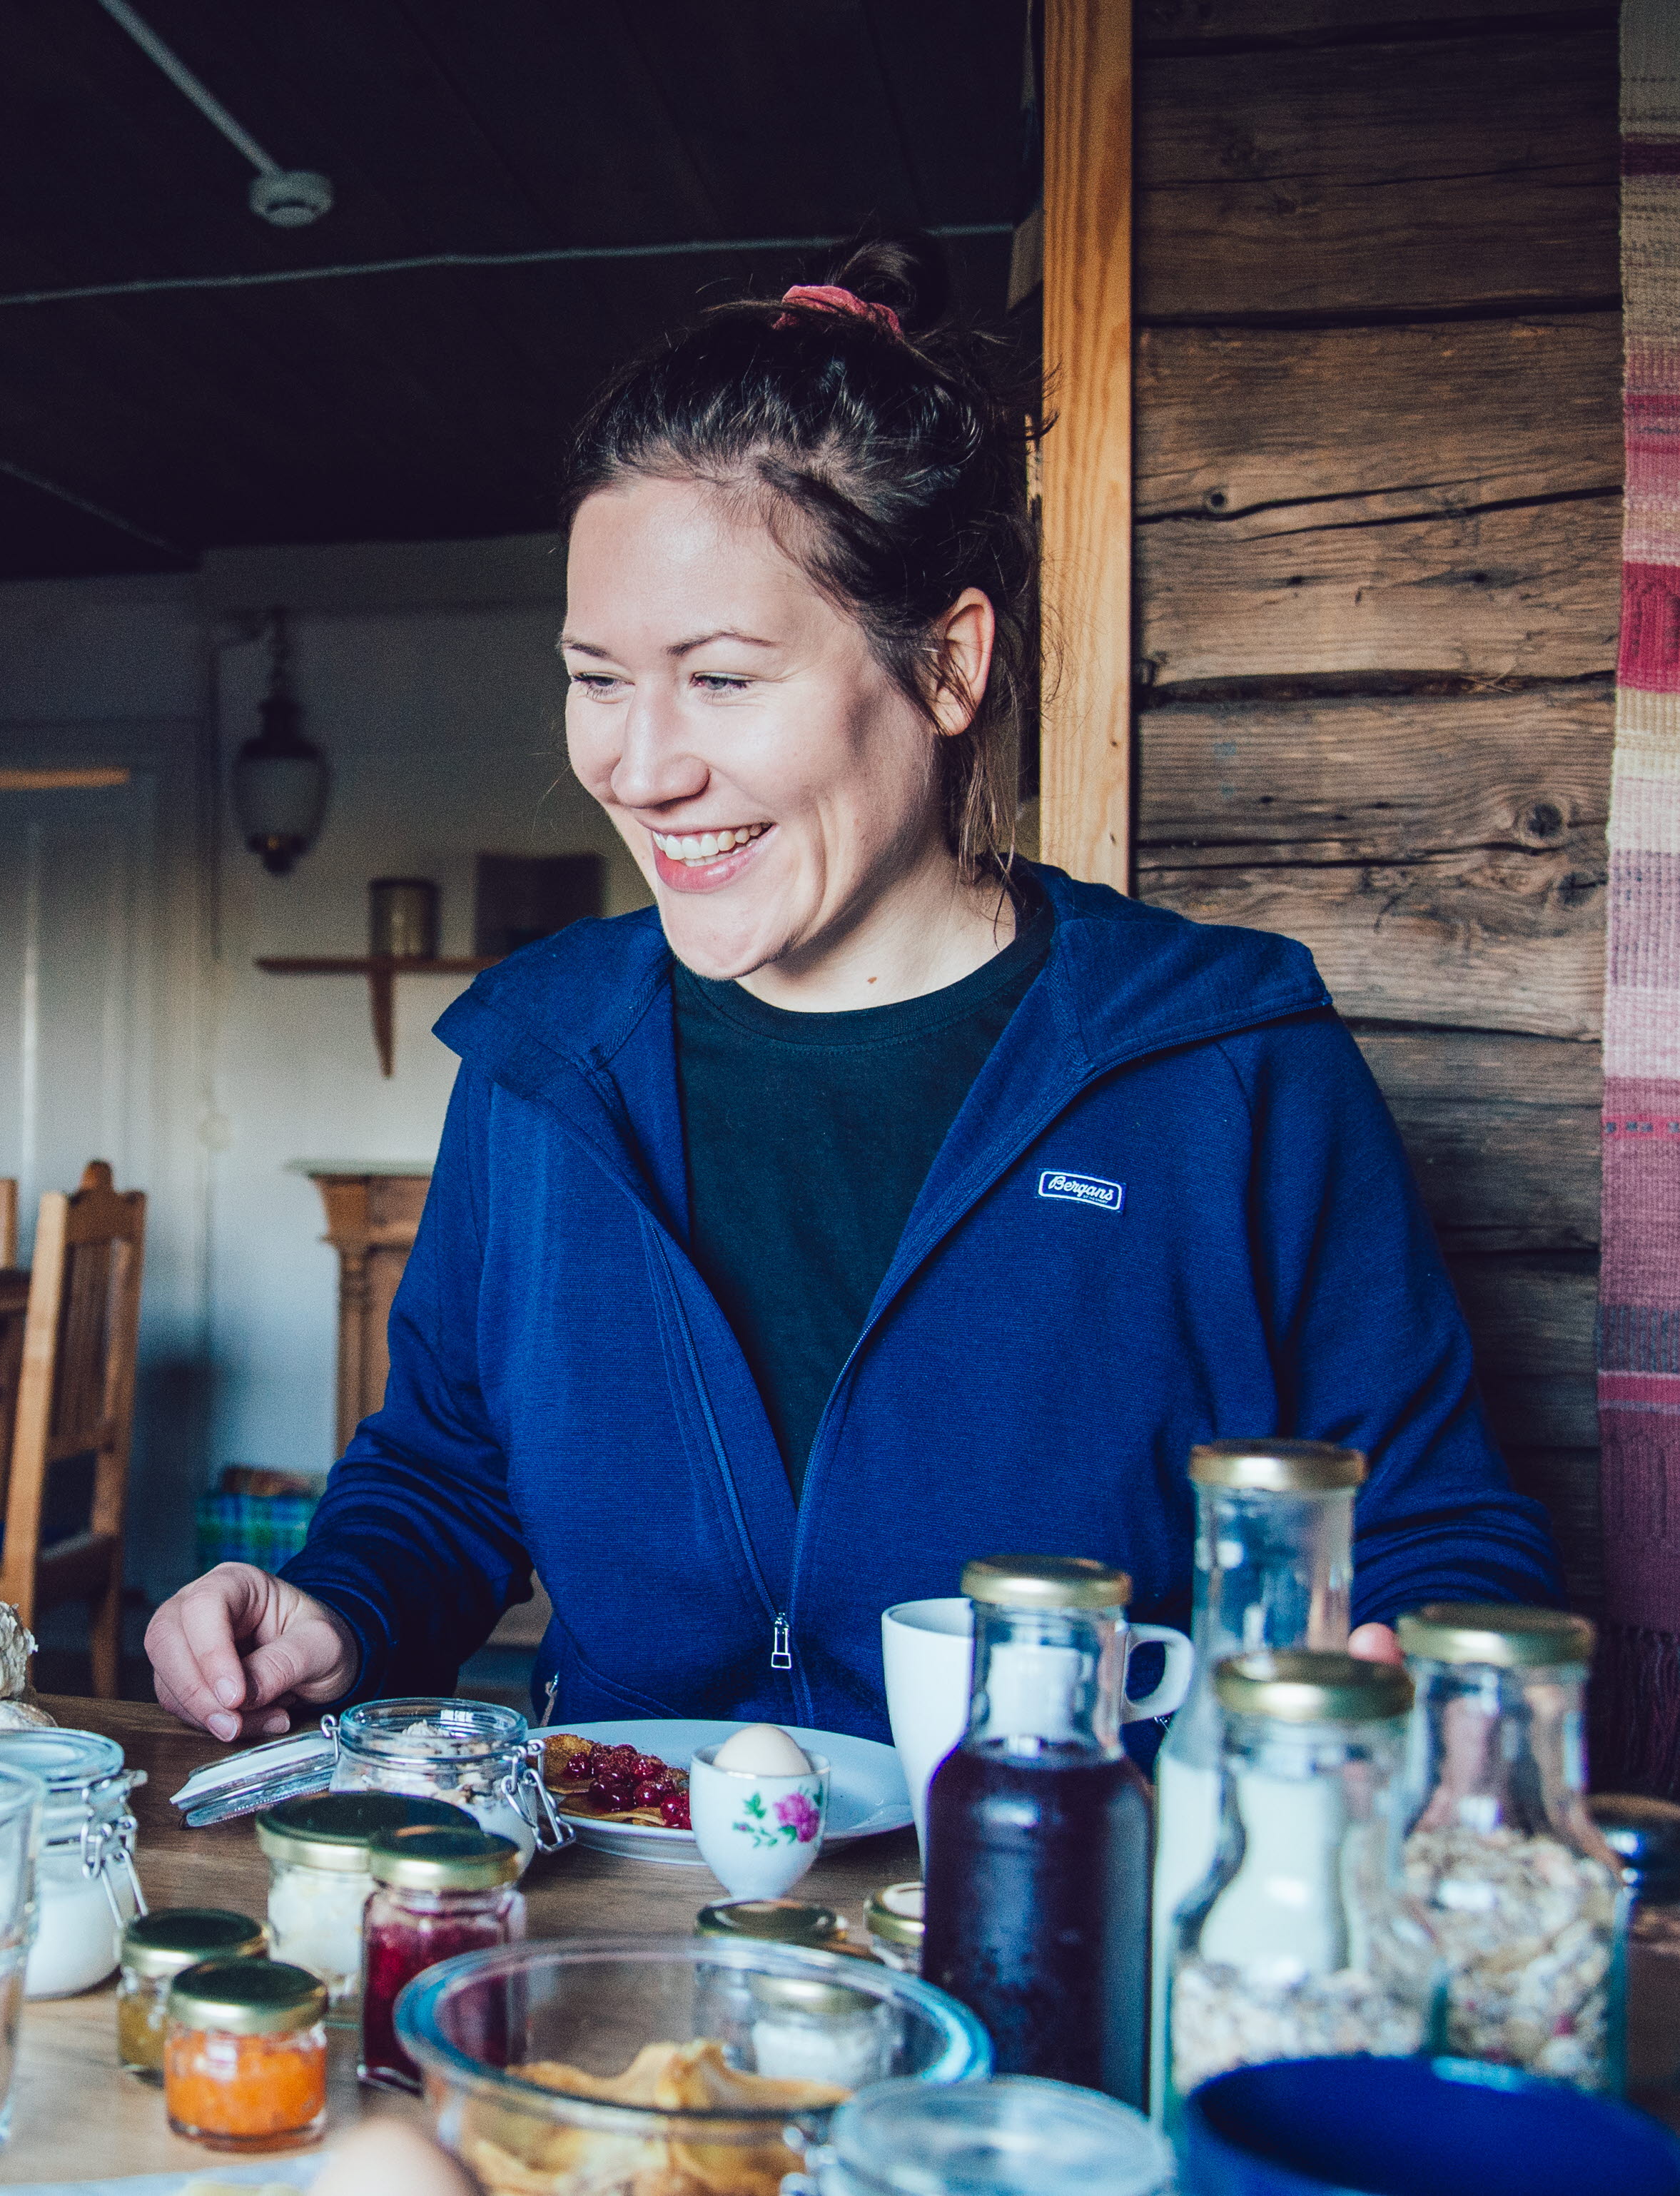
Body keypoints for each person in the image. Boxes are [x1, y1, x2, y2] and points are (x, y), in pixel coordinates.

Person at [148, 240, 1562, 1749]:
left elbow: (1423, 1529)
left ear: (946, 666)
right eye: (598, 677)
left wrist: (1421, 1683)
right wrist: (339, 1606)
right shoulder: (539, 1058)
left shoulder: (1225, 1061)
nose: (638, 766)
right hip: (618, 1861)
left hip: (1059, 1863)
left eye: (721, 677)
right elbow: (446, 1471)